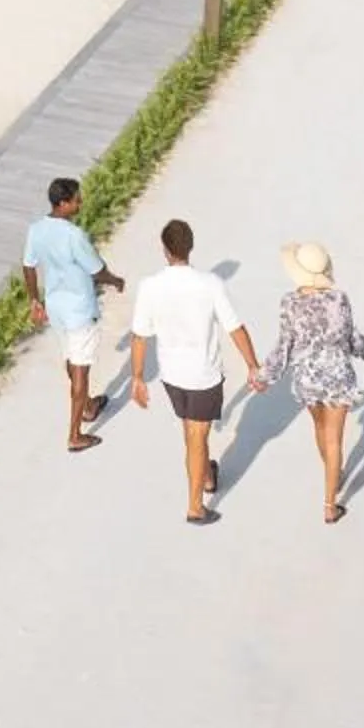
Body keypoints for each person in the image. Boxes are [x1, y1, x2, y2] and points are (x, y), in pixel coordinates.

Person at [126, 217, 265, 525]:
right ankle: (195, 506)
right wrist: (253, 365)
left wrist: (136, 377)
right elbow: (235, 328)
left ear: (165, 250)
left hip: (171, 376)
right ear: (190, 248)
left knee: (191, 432)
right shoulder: (210, 284)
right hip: (203, 375)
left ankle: (204, 475)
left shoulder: (149, 286)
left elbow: (139, 335)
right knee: (196, 434)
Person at [263, 240, 364, 524]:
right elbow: (352, 338)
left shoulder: (289, 303)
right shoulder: (339, 300)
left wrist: (265, 375)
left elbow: (284, 346)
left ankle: (332, 473)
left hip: (307, 380)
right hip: (338, 377)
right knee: (334, 438)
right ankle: (330, 504)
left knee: (319, 427)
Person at [21, 176, 124, 452]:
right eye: (77, 199)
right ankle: (76, 434)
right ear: (63, 203)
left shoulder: (36, 230)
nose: (80, 202)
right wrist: (116, 281)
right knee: (81, 370)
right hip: (80, 310)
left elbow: (29, 266)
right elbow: (96, 270)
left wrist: (34, 300)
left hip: (56, 308)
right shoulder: (74, 236)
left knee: (71, 358)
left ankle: (89, 404)